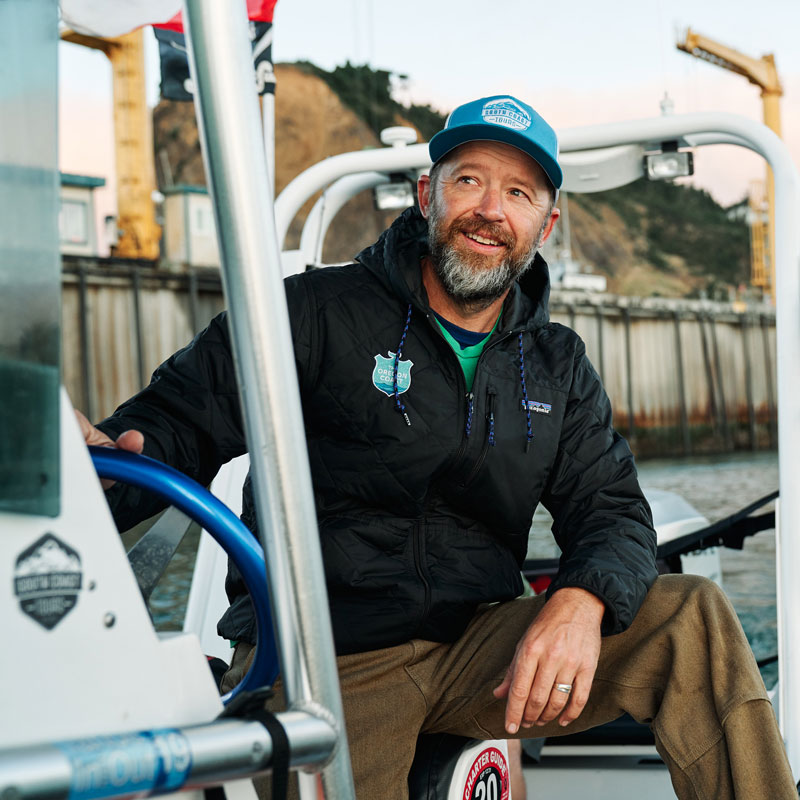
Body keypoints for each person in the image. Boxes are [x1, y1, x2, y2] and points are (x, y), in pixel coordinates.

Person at [77, 95, 796, 799]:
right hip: (333, 653)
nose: (491, 209)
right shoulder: (311, 313)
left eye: (518, 192)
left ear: (544, 224)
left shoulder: (556, 363)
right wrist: (101, 472)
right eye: (470, 180)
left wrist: (580, 599)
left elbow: (613, 511)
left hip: (483, 643)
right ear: (428, 195)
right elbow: (175, 424)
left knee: (692, 619)